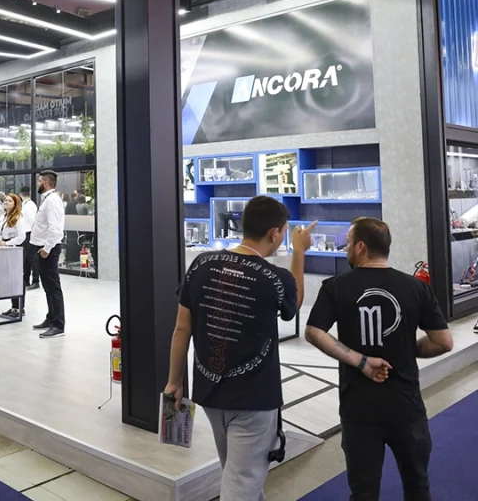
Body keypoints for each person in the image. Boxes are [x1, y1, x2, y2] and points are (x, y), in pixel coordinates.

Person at [164, 197, 316, 501]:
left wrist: (174, 382)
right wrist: (299, 251)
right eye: (284, 232)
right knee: (242, 482)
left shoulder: (201, 265)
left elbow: (182, 328)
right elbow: (295, 302)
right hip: (254, 400)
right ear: (274, 233)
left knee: (240, 476)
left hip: (211, 393)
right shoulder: (275, 278)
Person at [305, 217, 453, 501]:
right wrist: (407, 349)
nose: (346, 249)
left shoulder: (335, 286)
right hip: (406, 405)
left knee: (363, 492)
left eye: (348, 243)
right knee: (418, 485)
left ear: (361, 247)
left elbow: (313, 332)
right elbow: (443, 342)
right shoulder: (416, 287)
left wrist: (361, 361)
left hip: (359, 408)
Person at [30, 170, 66, 339]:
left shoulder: (52, 201)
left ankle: (58, 325)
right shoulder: (47, 199)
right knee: (47, 287)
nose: (38, 184)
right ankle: (51, 318)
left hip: (48, 249)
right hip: (42, 247)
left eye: (39, 181)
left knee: (53, 287)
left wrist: (47, 248)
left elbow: (55, 229)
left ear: (45, 183)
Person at [0, 193, 26, 318]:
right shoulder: (3, 217)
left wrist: (7, 243)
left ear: (15, 204)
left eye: (9, 201)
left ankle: (19, 308)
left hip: (15, 249)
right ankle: (13, 306)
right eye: (5, 200)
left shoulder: (18, 218)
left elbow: (21, 237)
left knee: (17, 279)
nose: (6, 202)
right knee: (9, 279)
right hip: (5, 249)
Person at [19, 186, 40, 291]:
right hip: (25, 234)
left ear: (20, 194)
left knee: (32, 258)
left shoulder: (29, 205)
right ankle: (25, 280)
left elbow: (33, 221)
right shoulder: (25, 205)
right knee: (26, 259)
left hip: (30, 234)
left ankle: (36, 281)